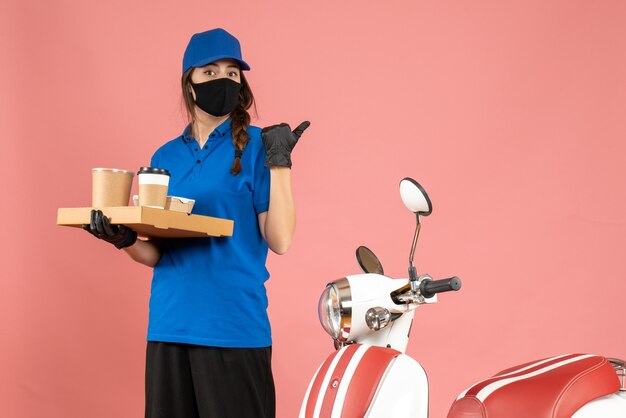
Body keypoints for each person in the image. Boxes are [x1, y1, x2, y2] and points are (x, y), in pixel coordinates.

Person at [83, 27, 309, 418]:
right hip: (170, 326)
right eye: (210, 72)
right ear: (189, 84)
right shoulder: (165, 155)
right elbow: (157, 252)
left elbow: (281, 240)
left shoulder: (259, 144)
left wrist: (280, 163)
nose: (223, 79)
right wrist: (124, 239)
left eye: (232, 72)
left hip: (233, 327)